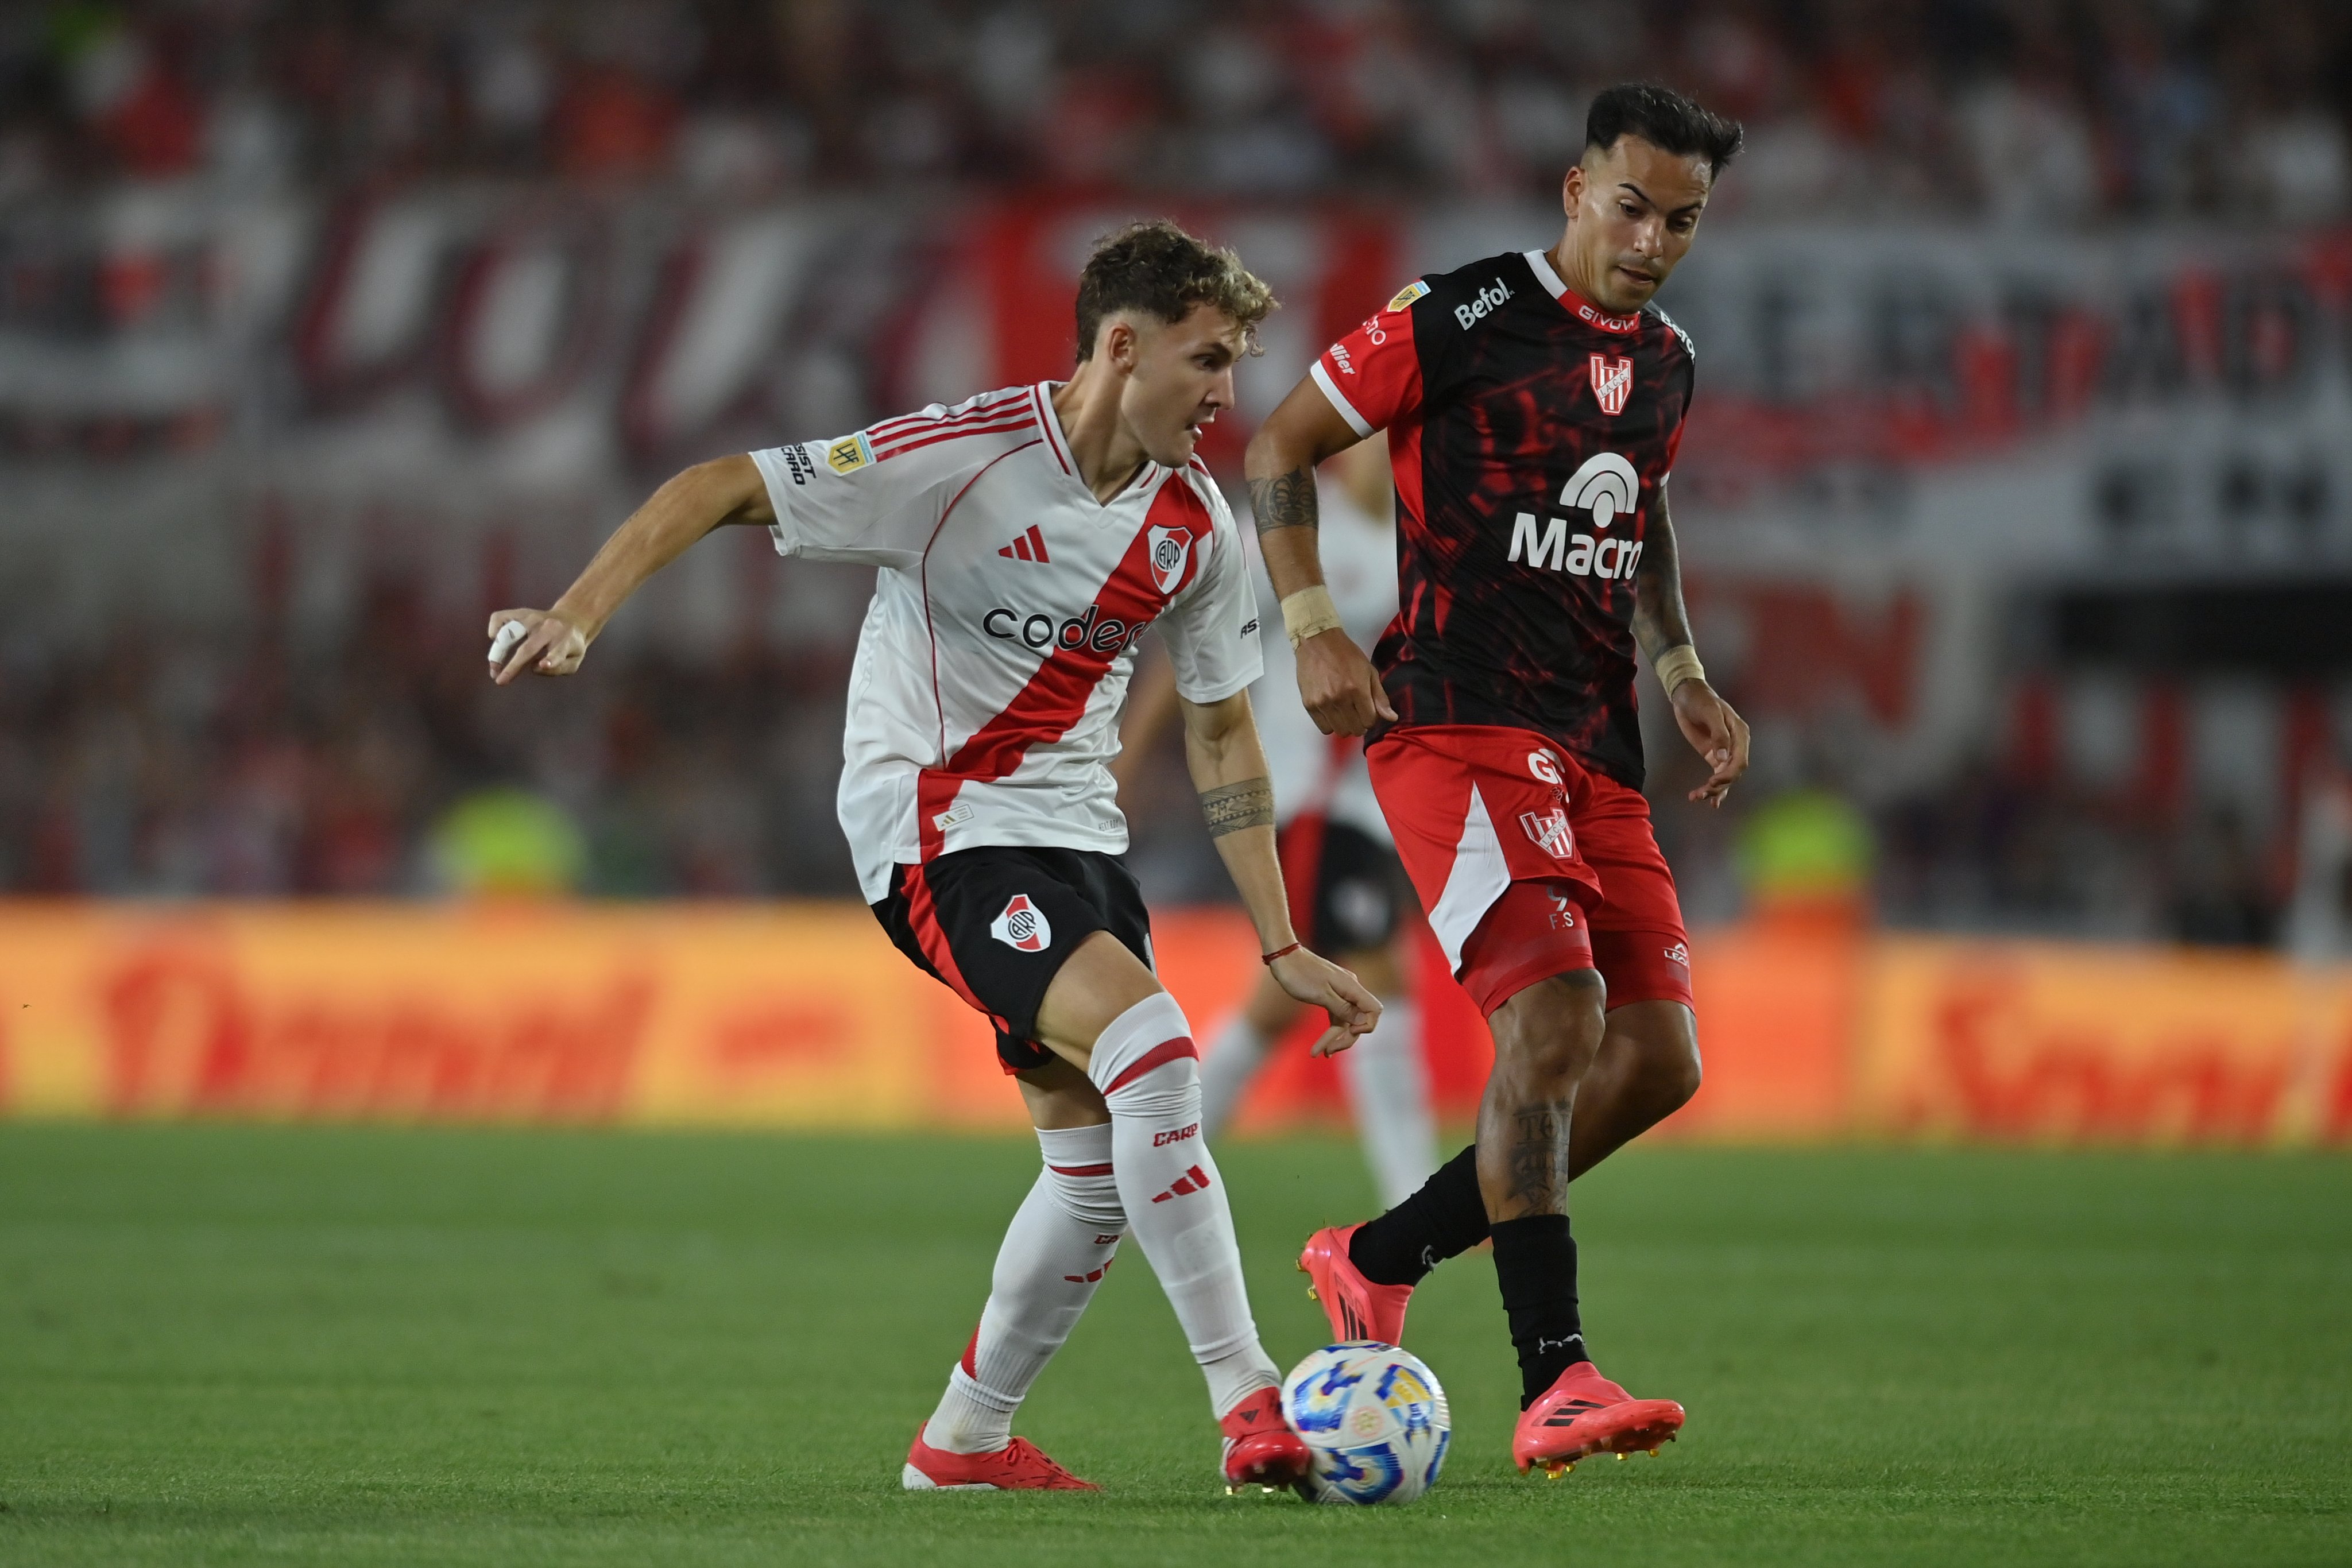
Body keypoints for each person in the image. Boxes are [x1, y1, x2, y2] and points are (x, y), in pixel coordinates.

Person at [486, 220, 1380, 1495]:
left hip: (1076, 847)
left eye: (1235, 363)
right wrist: (576, 616)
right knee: (1157, 1054)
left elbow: (1223, 730)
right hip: (938, 833)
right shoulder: (958, 456)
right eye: (1207, 359)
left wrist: (1280, 940)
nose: (1229, 392)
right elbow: (720, 484)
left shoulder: (1194, 527)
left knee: (1087, 1174)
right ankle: (1248, 1400)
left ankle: (961, 1440)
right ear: (1119, 348)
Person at [1243, 83, 1753, 1478]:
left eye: (1684, 220)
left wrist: (1682, 666)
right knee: (1556, 1020)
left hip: (1592, 739)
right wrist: (1311, 629)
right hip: (1454, 718)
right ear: (1575, 190)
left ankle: (1380, 1253)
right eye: (1633, 206)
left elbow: (1638, 508)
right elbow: (1278, 443)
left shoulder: (1666, 362)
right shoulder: (1459, 318)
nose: (1652, 240)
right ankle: (1556, 1377)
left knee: (1657, 1062)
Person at [1116, 435, 1438, 1208]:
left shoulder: (1423, 547)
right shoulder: (1296, 538)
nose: (1385, 462)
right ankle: (1416, 1195)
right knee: (1376, 972)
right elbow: (1190, 647)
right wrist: (1126, 759)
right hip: (1305, 797)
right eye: (1373, 444)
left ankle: (1156, 1162)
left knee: (1285, 999)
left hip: (1374, 804)